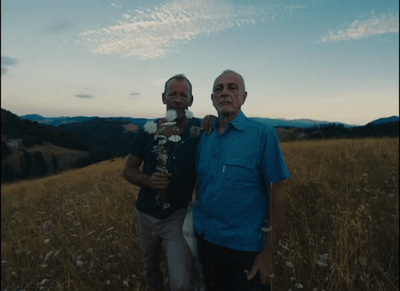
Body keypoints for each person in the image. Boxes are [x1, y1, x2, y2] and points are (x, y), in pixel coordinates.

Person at [193, 70, 291, 291]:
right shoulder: (205, 135)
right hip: (205, 242)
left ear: (244, 97)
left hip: (245, 250)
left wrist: (268, 253)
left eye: (232, 88)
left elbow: (277, 194)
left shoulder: (262, 135)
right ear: (212, 99)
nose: (225, 93)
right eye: (219, 89)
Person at [124, 74, 201, 291]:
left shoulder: (199, 132)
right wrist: (149, 181)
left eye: (183, 95)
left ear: (191, 100)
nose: (177, 99)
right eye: (172, 94)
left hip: (177, 216)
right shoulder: (147, 131)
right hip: (146, 214)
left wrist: (213, 121)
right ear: (163, 98)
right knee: (152, 270)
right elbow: (128, 170)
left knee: (181, 282)